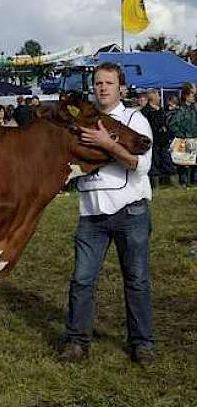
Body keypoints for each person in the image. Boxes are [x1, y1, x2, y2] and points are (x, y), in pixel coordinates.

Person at [61, 62, 155, 365]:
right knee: (82, 280)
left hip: (131, 211)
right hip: (91, 213)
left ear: (121, 88)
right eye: (98, 83)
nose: (103, 88)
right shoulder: (84, 121)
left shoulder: (134, 120)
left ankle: (142, 343)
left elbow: (141, 165)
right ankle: (77, 341)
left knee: (137, 280)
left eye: (109, 83)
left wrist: (107, 144)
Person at [140, 89, 173, 188]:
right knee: (154, 160)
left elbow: (164, 123)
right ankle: (155, 183)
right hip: (152, 140)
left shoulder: (160, 109)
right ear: (153, 97)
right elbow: (150, 125)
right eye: (158, 95)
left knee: (165, 158)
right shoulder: (146, 111)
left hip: (163, 141)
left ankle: (168, 180)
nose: (159, 97)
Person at [167, 83, 197, 188]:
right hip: (184, 140)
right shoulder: (180, 110)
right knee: (183, 162)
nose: (194, 96)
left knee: (195, 161)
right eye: (193, 94)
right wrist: (182, 135)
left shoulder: (194, 109)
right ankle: (183, 182)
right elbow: (172, 125)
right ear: (186, 95)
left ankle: (194, 182)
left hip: (194, 138)